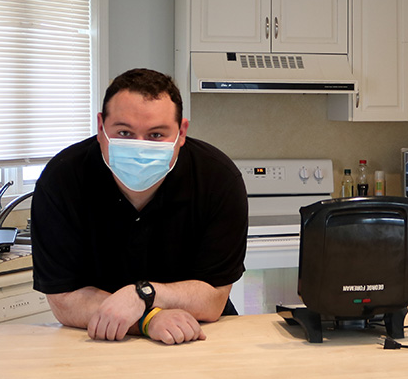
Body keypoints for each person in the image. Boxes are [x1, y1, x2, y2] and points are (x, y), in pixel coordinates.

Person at [31, 68, 248, 345]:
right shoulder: (61, 180)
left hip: (197, 335)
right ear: (101, 128)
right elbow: (64, 299)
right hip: (98, 339)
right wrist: (149, 319)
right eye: (124, 132)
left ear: (181, 132)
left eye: (156, 135)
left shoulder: (218, 179)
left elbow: (213, 298)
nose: (140, 147)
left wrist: (143, 295)